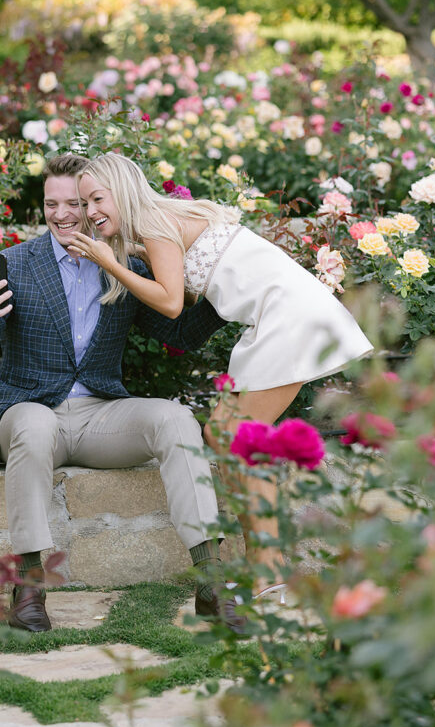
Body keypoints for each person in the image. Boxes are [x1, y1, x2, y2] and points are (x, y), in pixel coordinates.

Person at [0, 153, 248, 634]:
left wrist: (229, 284)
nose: (62, 214)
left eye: (74, 203)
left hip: (100, 416)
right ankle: (28, 588)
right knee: (34, 425)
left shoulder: (124, 264)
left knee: (176, 419)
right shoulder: (18, 263)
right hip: (29, 412)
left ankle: (211, 583)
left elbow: (178, 332)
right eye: (51, 204)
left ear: (94, 205)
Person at [71, 153, 373, 596]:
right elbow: (186, 282)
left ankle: (269, 569)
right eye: (84, 203)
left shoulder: (155, 224)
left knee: (235, 439)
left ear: (123, 190)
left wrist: (109, 262)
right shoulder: (160, 222)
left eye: (97, 199)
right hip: (275, 317)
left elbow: (171, 303)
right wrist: (131, 252)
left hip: (288, 317)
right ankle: (266, 564)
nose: (90, 211)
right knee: (226, 436)